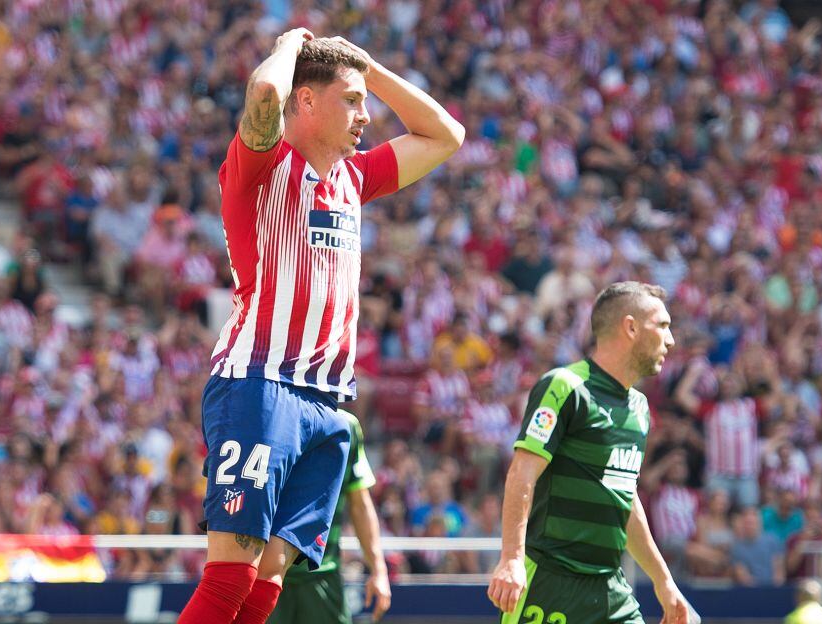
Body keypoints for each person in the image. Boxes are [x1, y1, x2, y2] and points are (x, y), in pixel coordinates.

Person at [178, 29, 463, 624]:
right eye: (353, 100)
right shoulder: (261, 165)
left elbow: (446, 135)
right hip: (260, 383)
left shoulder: (353, 179)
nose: (366, 115)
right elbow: (262, 94)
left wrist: (369, 68)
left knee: (269, 579)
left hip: (328, 404)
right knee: (231, 574)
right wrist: (289, 45)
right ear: (306, 102)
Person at [487, 282, 694, 624]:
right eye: (662, 326)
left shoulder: (639, 409)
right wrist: (511, 557)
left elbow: (623, 497)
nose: (670, 340)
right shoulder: (566, 386)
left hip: (610, 589)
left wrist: (663, 581)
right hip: (551, 582)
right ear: (630, 327)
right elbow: (521, 472)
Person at [269, 410, 391, 624]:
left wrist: (379, 569)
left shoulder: (348, 425)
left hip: (323, 577)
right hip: (266, 576)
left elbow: (360, 504)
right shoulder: (272, 416)